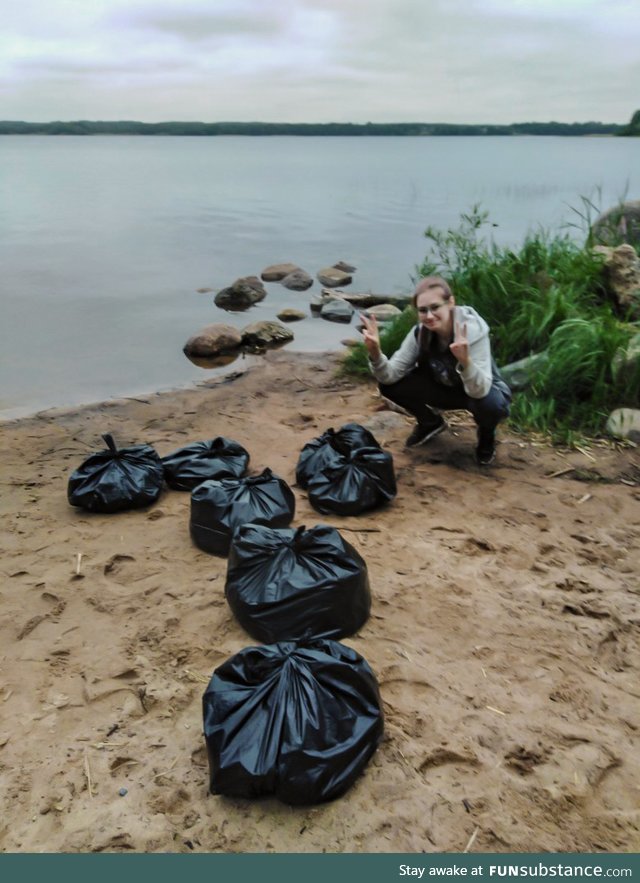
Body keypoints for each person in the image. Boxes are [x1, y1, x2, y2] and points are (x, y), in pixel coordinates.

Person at [360, 275, 511, 465]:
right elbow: (389, 376)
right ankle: (430, 422)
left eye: (435, 307)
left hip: (481, 393)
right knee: (389, 386)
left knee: (490, 405)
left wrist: (465, 361)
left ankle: (487, 436)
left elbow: (479, 390)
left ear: (451, 303)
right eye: (423, 310)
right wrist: (375, 353)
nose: (429, 316)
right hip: (445, 389)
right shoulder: (420, 333)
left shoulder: (473, 332)